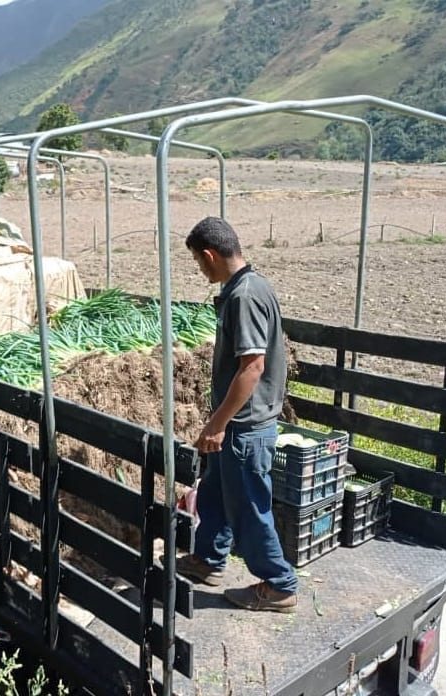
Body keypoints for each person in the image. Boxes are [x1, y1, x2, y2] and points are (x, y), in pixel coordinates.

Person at [176, 216, 298, 613]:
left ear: (210, 255)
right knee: (213, 492)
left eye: (198, 261)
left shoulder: (244, 296)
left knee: (248, 510)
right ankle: (208, 560)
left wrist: (217, 424)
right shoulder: (251, 283)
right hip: (242, 424)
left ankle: (279, 585)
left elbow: (252, 368)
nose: (200, 269)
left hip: (245, 428)